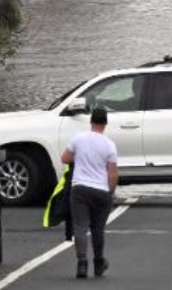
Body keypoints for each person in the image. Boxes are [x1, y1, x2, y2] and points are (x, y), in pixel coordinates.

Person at [60, 108, 117, 279]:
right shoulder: (109, 145)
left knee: (80, 227)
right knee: (98, 229)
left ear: (91, 122)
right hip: (101, 191)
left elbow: (64, 158)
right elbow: (113, 173)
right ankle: (99, 263)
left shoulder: (78, 138)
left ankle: (82, 264)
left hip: (80, 189)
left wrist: (80, 157)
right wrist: (111, 192)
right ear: (105, 124)